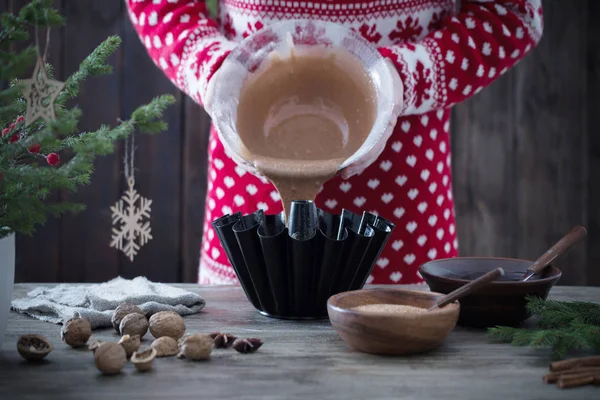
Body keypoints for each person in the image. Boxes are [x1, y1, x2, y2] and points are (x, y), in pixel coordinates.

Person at [126, 0, 543, 285]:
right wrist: (218, 71)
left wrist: (396, 79)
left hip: (403, 209)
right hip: (251, 187)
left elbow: (513, 13)